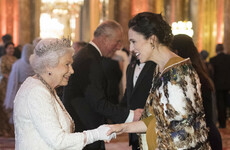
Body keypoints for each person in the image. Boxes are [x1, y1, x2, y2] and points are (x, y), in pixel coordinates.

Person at [107, 12, 211, 149]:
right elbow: (157, 119)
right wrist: (121, 127)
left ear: (152, 39)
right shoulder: (160, 68)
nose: (131, 49)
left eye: (133, 42)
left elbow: (182, 137)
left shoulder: (177, 74)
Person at [13, 38, 115, 150]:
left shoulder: (45, 87)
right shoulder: (37, 92)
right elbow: (58, 141)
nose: (72, 70)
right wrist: (97, 134)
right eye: (67, 64)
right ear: (49, 66)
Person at [63, 20, 143, 150]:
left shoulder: (89, 55)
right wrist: (131, 115)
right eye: (117, 41)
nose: (119, 47)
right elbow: (98, 102)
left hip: (87, 127)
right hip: (85, 129)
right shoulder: (89, 59)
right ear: (105, 38)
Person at [171, 34, 222, 150]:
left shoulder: (189, 76)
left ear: (176, 52)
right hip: (207, 134)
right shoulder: (196, 71)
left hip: (202, 138)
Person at [120, 59, 156, 150]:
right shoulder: (130, 66)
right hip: (133, 125)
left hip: (150, 123)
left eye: (134, 43)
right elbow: (128, 94)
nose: (132, 48)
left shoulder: (155, 66)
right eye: (131, 44)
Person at [4, 44, 35, 124]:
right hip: (33, 91)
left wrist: (10, 100)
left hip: (20, 91)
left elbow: (13, 83)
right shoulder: (36, 65)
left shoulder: (17, 64)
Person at [210, 44, 230, 128]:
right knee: (226, 102)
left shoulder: (213, 59)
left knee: (220, 104)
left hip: (217, 85)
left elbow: (212, 73)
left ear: (216, 50)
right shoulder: (228, 58)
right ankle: (226, 119)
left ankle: (222, 123)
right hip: (228, 84)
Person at [0, 42, 17, 136]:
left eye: (13, 48)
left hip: (13, 86)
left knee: (12, 107)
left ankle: (12, 129)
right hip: (4, 86)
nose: (12, 50)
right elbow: (2, 72)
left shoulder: (15, 59)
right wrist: (11, 78)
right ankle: (4, 130)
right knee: (4, 107)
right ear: (6, 49)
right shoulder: (3, 59)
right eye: (10, 48)